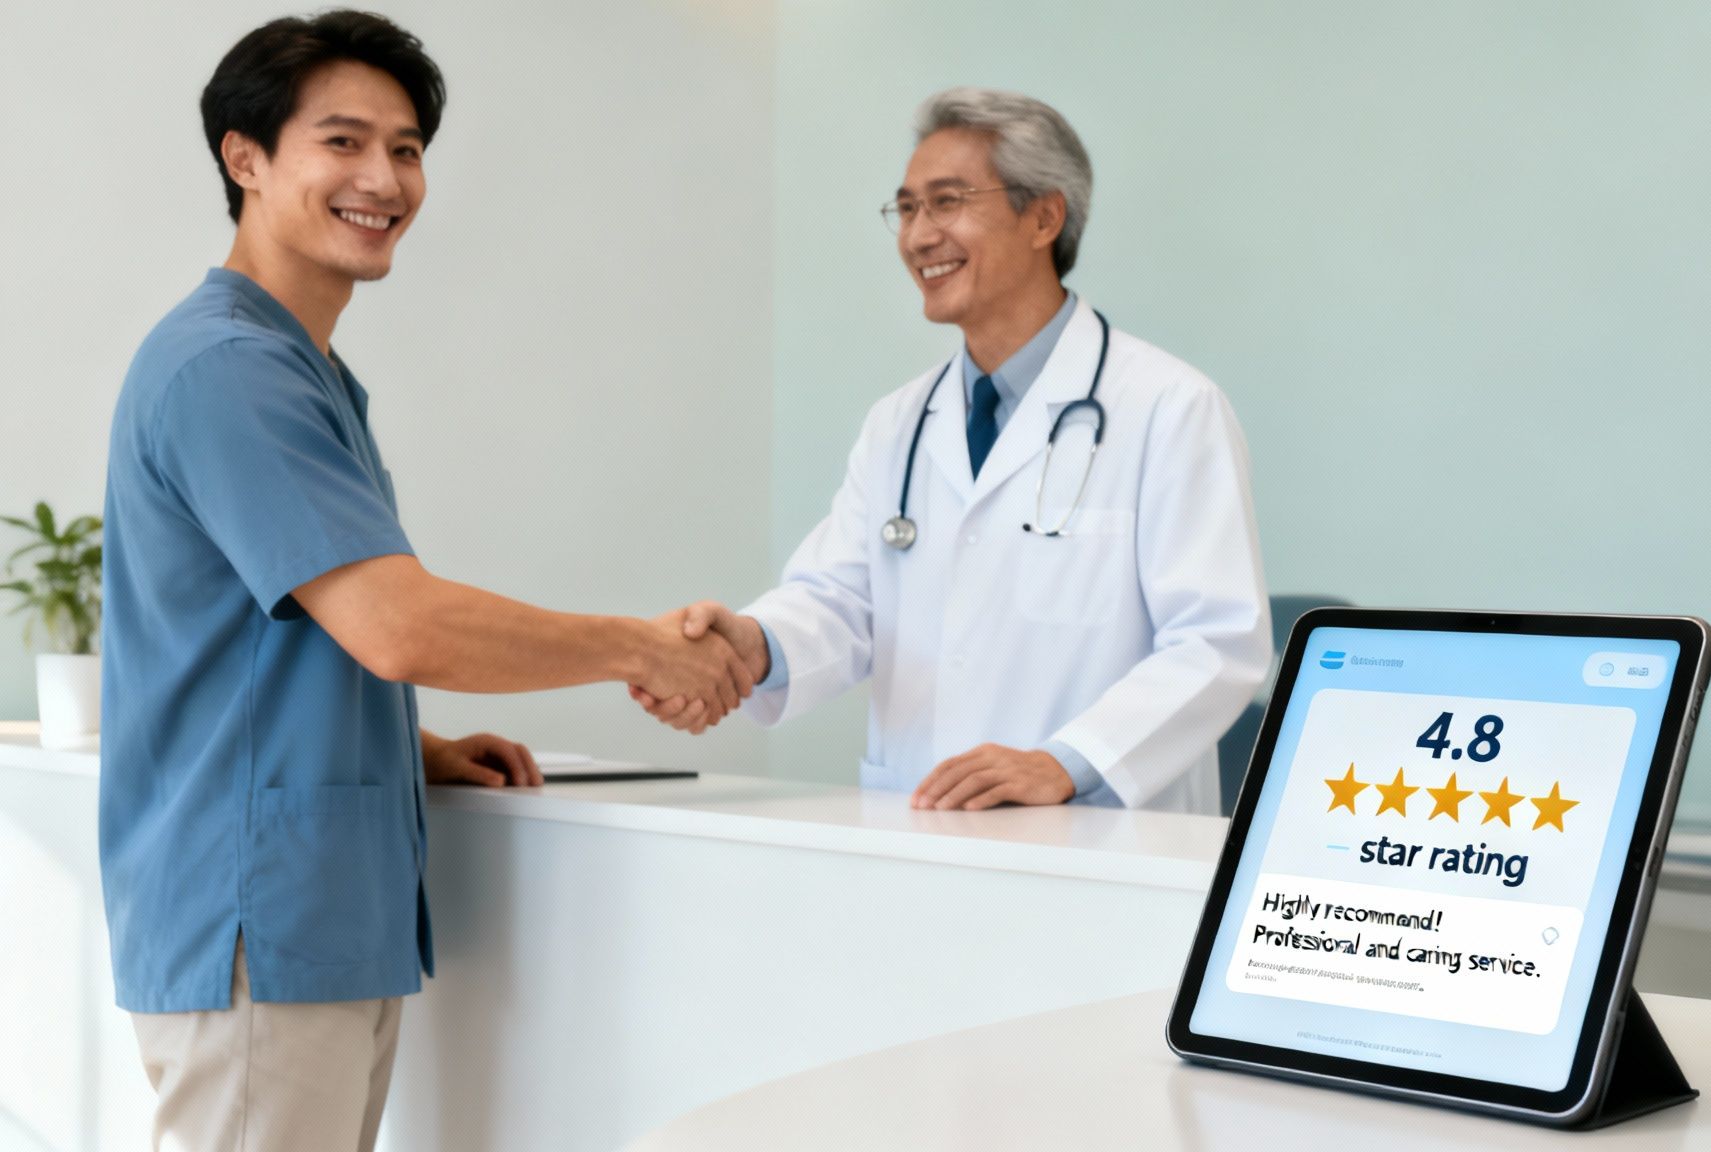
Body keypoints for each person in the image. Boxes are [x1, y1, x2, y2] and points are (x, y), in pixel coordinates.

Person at [98, 13, 749, 1150]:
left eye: (405, 149)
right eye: (342, 142)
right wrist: (640, 647)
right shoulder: (231, 369)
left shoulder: (304, 371)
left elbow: (275, 645)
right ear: (243, 159)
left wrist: (411, 748)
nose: (384, 178)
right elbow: (395, 623)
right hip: (258, 925)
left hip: (314, 923)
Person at [636, 87, 1270, 814]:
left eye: (947, 202)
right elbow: (840, 601)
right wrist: (751, 648)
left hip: (1098, 840)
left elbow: (1218, 642)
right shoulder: (899, 424)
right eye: (906, 209)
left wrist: (1066, 763)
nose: (918, 236)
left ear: (1044, 217)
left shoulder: (1169, 408)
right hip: (925, 827)